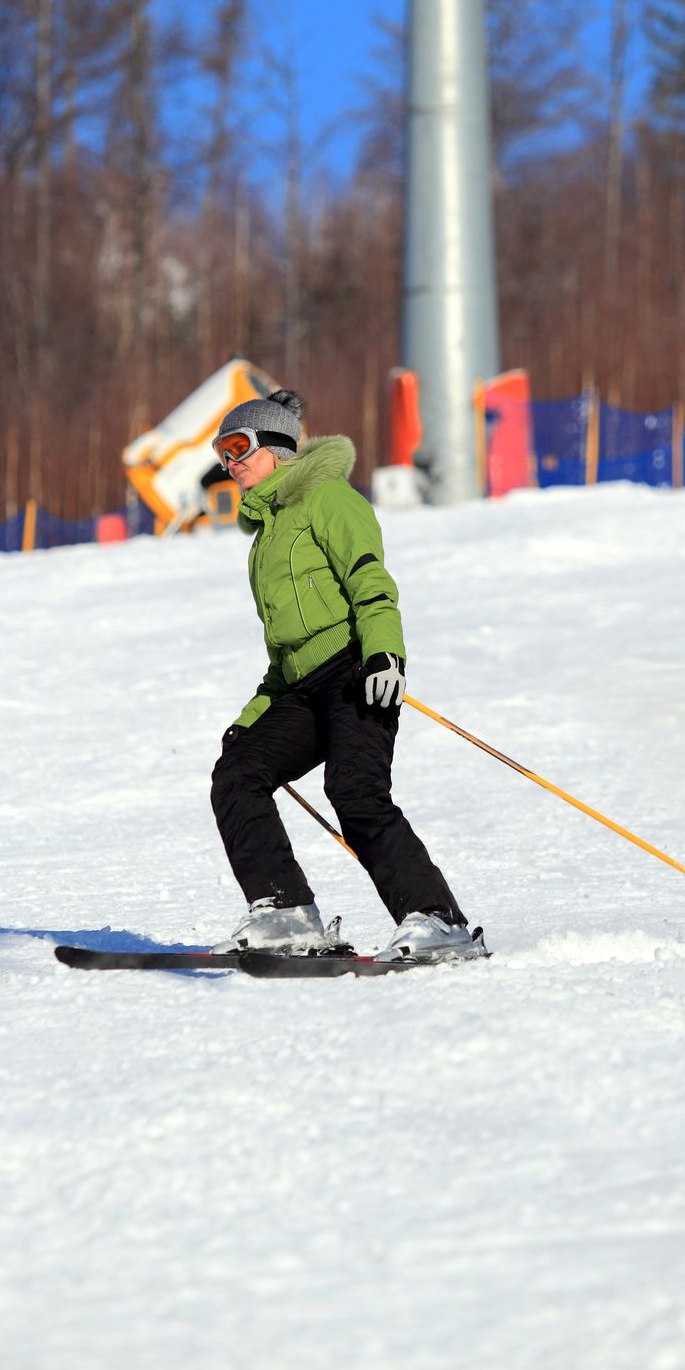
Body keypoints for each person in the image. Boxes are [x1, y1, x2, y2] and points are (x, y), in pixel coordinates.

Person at [206, 389, 480, 962]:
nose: (229, 463)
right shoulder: (265, 539)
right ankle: (285, 913)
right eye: (221, 451)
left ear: (277, 447)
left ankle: (438, 920)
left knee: (354, 792)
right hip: (300, 689)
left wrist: (386, 654)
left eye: (238, 447)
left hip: (356, 670)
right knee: (237, 772)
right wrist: (251, 720)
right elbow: (284, 653)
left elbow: (369, 579)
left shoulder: (329, 499)